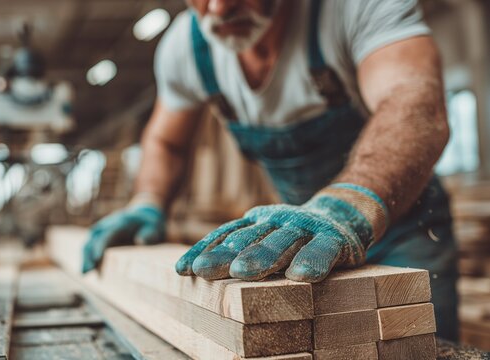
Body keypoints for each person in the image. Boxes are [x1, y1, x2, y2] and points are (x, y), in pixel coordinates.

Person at [82, 0, 458, 341]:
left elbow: (414, 106)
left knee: (414, 341)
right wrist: (147, 201)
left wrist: (349, 206)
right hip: (304, 242)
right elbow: (166, 142)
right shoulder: (185, 47)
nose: (218, 8)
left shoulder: (354, 7)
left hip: (404, 229)